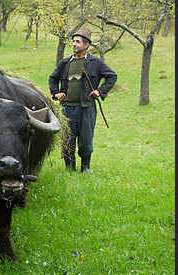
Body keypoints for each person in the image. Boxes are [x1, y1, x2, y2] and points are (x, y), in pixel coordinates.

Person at [48, 27, 117, 173]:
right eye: (73, 41)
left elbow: (112, 76)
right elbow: (52, 78)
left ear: (86, 45)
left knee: (85, 139)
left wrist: (100, 91)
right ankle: (69, 168)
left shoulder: (95, 62)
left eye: (77, 42)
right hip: (67, 109)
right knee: (68, 140)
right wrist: (56, 93)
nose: (74, 44)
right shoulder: (65, 63)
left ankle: (85, 167)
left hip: (87, 108)